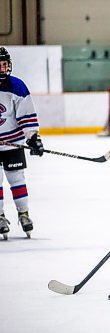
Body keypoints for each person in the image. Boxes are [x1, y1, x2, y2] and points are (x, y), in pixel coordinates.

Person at [0, 47, 44, 240]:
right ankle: (0, 217)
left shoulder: (17, 86)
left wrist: (33, 138)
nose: (2, 68)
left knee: (17, 179)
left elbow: (26, 115)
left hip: (12, 142)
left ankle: (23, 214)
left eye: (4, 64)